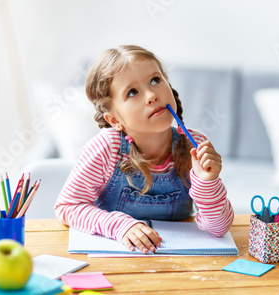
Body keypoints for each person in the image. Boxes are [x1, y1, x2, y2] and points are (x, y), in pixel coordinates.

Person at [54, 45, 234, 254]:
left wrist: (207, 183)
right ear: (114, 120)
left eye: (155, 80)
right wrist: (120, 225)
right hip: (116, 261)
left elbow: (219, 228)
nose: (151, 95)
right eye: (132, 92)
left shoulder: (194, 144)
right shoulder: (106, 148)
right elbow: (67, 207)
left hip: (181, 264)